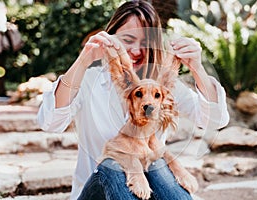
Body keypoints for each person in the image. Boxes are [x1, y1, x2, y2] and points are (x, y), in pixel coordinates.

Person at [37, 0, 229, 199]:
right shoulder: (89, 81)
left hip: (150, 191)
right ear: (112, 38)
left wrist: (198, 69)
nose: (136, 51)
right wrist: (84, 60)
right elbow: (50, 122)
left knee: (158, 163)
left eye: (145, 43)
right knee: (113, 164)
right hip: (100, 191)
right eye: (128, 40)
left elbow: (216, 121)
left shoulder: (162, 88)